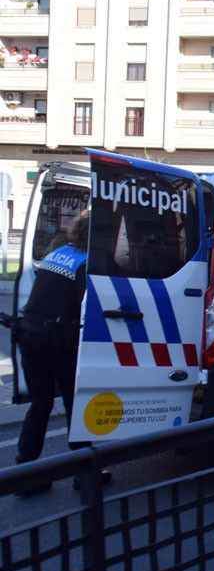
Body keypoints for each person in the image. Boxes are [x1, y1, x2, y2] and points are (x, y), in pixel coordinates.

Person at [13, 209, 109, 495]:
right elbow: (89, 306)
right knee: (76, 403)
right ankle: (83, 473)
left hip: (28, 333)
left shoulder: (58, 253)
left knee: (40, 404)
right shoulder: (85, 263)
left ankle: (24, 474)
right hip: (56, 340)